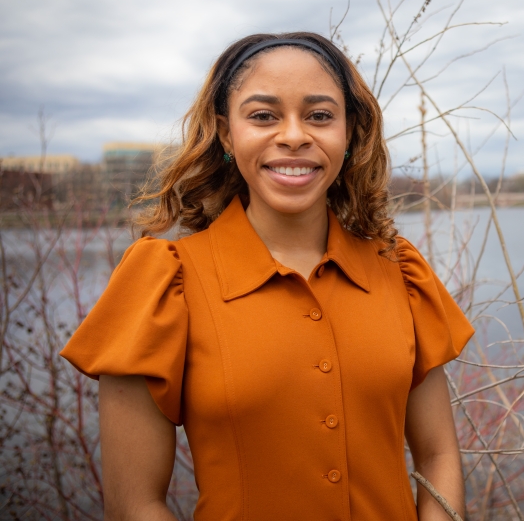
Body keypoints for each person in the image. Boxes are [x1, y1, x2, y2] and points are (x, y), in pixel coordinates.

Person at [60, 32, 474, 520]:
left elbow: (438, 456)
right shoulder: (163, 282)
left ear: (350, 132)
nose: (294, 135)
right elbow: (136, 505)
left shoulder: (399, 272)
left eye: (320, 115)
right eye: (263, 116)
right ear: (226, 133)